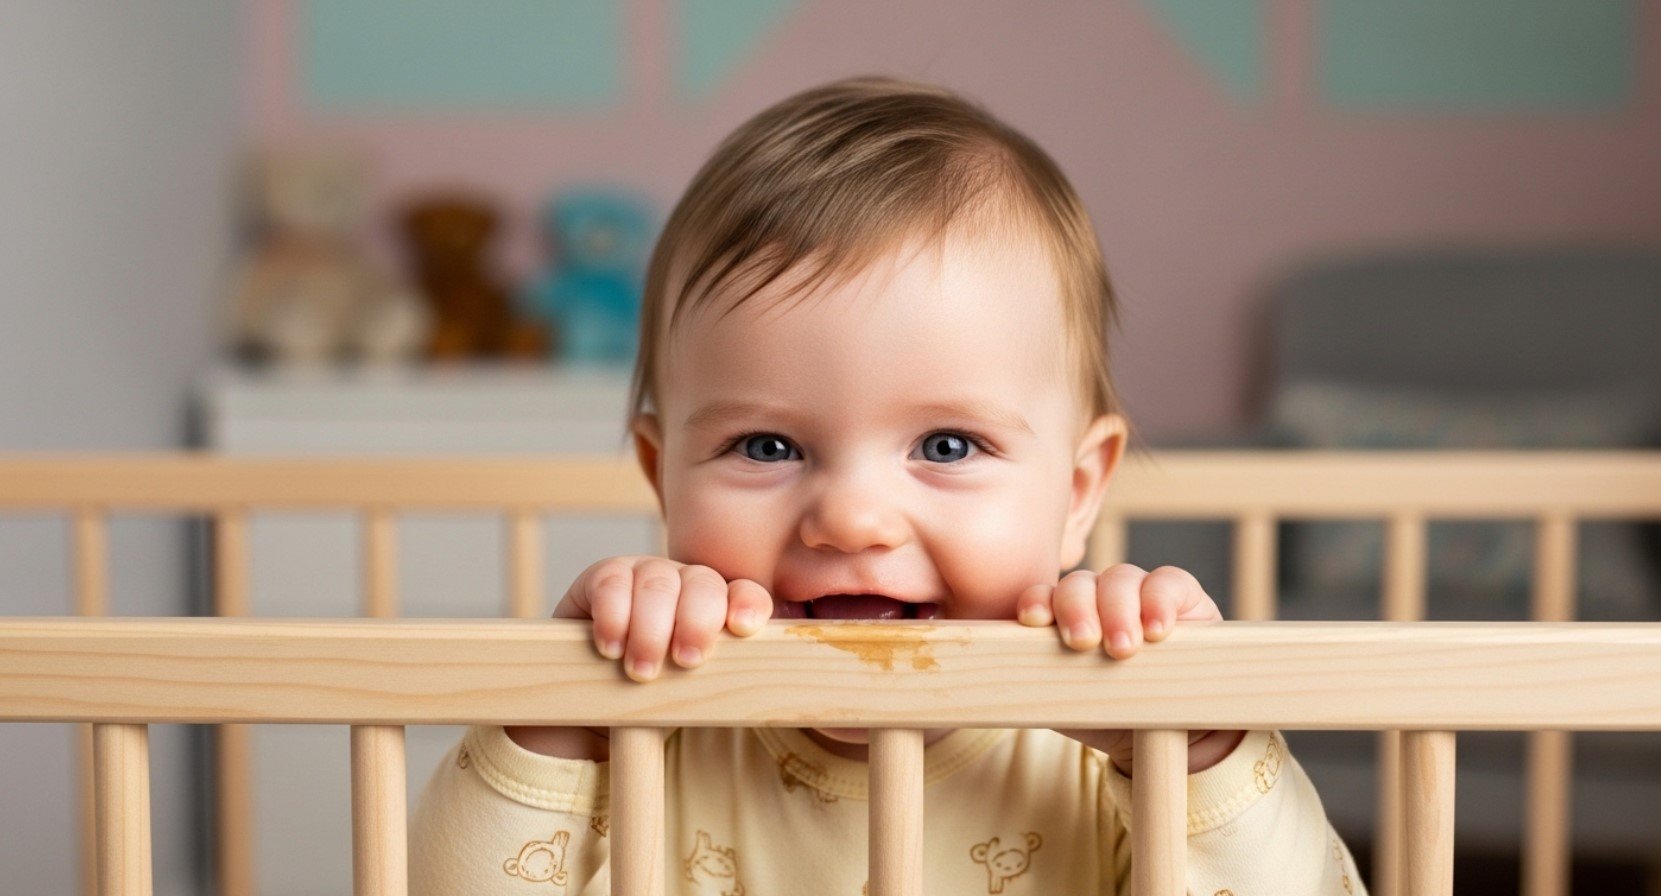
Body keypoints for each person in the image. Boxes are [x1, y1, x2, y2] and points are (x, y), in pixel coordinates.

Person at [410, 75, 1365, 895]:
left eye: (947, 446)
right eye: (767, 446)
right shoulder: (640, 723)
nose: (852, 519)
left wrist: (1197, 752)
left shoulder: (1107, 737)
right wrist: (552, 717)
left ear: (1078, 492)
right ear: (665, 479)